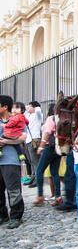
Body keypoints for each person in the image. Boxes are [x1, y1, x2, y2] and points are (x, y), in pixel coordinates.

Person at [0, 95, 27, 229]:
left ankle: (16, 216)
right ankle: (2, 214)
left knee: (13, 190)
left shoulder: (17, 119)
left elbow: (22, 137)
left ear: (5, 107)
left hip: (10, 161)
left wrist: (5, 141)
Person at [32, 103, 63, 207]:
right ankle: (58, 196)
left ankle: (40, 196)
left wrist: (40, 147)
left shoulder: (50, 118)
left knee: (39, 170)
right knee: (55, 173)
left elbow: (46, 134)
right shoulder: (59, 119)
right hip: (57, 148)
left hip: (49, 148)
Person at [23, 101, 43, 187]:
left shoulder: (38, 115)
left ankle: (38, 180)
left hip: (34, 140)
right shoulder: (29, 115)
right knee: (31, 161)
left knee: (35, 162)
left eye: (29, 106)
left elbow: (38, 110)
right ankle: (34, 178)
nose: (28, 108)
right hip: (28, 140)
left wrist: (36, 106)